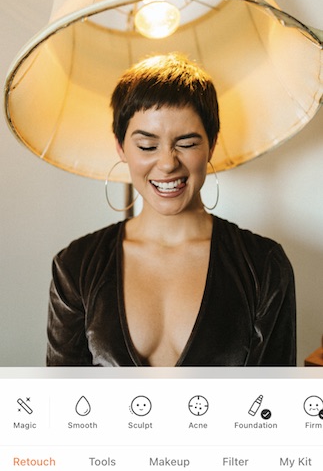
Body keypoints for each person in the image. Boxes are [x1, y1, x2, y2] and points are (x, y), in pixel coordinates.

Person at [46, 53, 296, 367]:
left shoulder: (264, 266)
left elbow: (269, 409)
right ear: (121, 147)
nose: (167, 163)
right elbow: (63, 405)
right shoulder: (75, 266)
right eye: (147, 146)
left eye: (187, 143)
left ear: (212, 144)